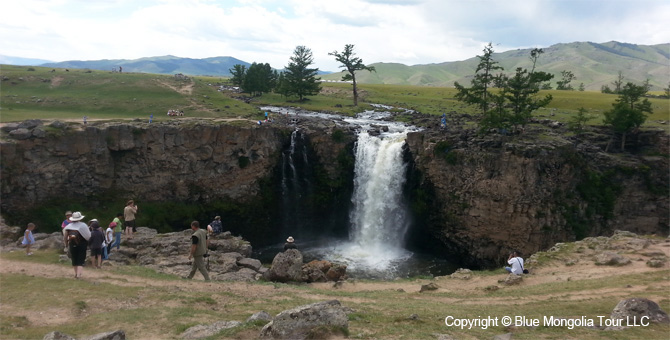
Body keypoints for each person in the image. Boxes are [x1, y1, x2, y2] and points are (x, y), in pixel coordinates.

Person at [63, 212, 91, 279]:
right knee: (81, 259)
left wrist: (66, 245)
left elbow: (65, 237)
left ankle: (76, 274)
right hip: (82, 244)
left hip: (72, 244)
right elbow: (88, 236)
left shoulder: (69, 226)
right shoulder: (83, 225)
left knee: (74, 259)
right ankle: (78, 275)